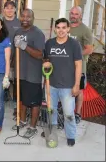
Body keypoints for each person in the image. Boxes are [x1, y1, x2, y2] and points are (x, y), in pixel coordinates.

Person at [43, 18, 82, 146]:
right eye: (58, 27)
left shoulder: (74, 44)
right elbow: (46, 61)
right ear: (55, 29)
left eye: (63, 27)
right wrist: (45, 63)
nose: (61, 30)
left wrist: (77, 85)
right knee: (51, 110)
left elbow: (78, 65)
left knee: (68, 113)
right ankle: (51, 130)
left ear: (68, 29)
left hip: (67, 86)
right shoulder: (49, 43)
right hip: (51, 84)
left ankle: (70, 135)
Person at [11, 9, 45, 139]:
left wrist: (24, 46)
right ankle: (23, 121)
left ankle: (33, 127)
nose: (25, 18)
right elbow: (15, 52)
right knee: (22, 99)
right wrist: (11, 68)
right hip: (20, 73)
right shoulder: (18, 32)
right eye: (23, 16)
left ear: (33, 18)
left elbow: (40, 54)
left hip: (33, 74)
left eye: (28, 16)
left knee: (34, 103)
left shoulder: (37, 34)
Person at [69, 6, 93, 124]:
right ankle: (66, 110)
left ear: (80, 15)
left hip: (79, 66)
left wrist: (76, 56)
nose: (73, 16)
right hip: (65, 65)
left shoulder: (85, 30)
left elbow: (89, 49)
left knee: (79, 89)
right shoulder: (65, 27)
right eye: (72, 13)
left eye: (76, 14)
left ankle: (77, 113)